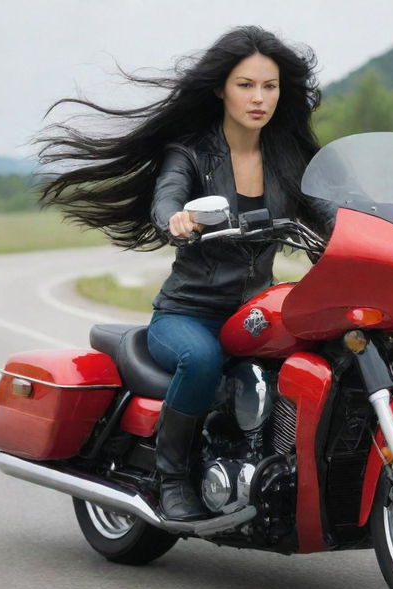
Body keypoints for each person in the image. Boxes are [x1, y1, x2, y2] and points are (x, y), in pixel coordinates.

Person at [35, 26, 336, 521]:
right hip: (187, 313)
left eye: (270, 86)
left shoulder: (289, 156)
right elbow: (168, 199)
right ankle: (172, 478)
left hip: (254, 309)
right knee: (200, 360)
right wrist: (179, 219)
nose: (259, 98)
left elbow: (326, 209)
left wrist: (366, 229)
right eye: (246, 85)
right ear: (221, 88)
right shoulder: (191, 152)